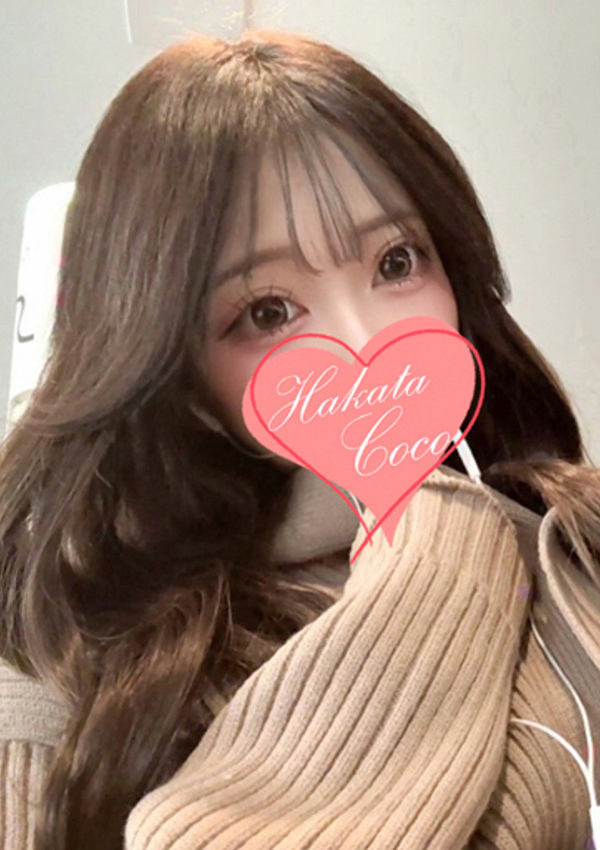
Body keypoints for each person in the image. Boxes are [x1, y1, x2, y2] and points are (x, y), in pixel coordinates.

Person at [0, 28, 599, 850]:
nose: (365, 342)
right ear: (168, 368)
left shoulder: (569, 543)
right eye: (268, 311)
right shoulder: (62, 658)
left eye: (397, 262)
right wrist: (433, 542)